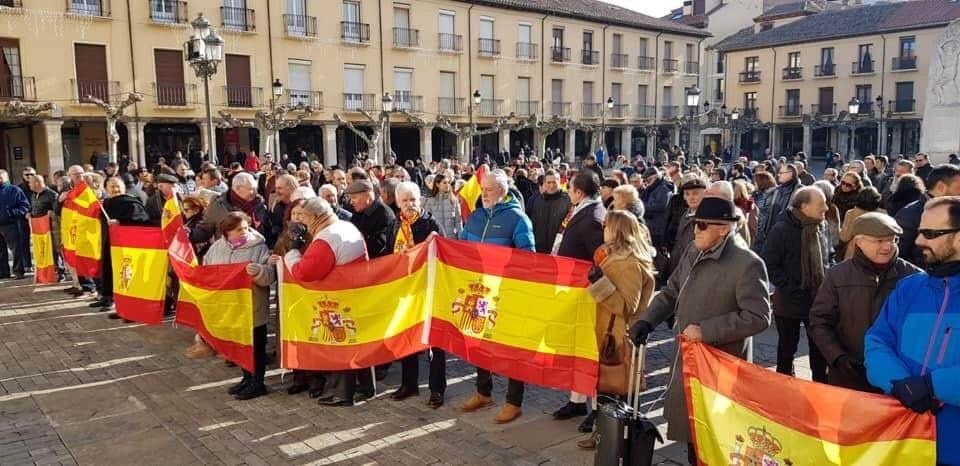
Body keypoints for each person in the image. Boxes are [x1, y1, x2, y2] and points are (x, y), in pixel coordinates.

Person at [629, 196, 770, 464]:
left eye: (702, 225)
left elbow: (759, 317)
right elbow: (671, 291)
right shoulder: (695, 250)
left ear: (724, 228)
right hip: (689, 360)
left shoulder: (747, 263)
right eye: (695, 224)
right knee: (693, 435)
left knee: (716, 439)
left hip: (719, 366)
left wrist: (707, 330)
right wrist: (647, 321)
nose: (695, 230)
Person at [865, 196, 960, 466]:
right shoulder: (910, 287)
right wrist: (899, 383)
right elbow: (877, 340)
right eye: (919, 231)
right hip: (902, 440)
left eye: (931, 233)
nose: (918, 241)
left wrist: (932, 386)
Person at [809, 213, 919, 393]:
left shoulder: (913, 277)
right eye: (880, 240)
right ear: (859, 242)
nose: (888, 246)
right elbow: (819, 322)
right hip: (848, 377)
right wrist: (837, 357)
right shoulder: (837, 275)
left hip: (897, 379)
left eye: (893, 240)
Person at [459, 169, 535, 424]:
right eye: (482, 189)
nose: (484, 194)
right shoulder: (476, 217)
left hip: (508, 294)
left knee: (513, 348)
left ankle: (514, 402)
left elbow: (528, 260)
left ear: (502, 191)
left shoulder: (518, 219)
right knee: (479, 341)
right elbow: (462, 249)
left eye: (489, 190)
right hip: (479, 293)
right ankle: (483, 392)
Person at [577, 209, 656, 450]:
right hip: (609, 333)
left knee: (617, 391)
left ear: (617, 230)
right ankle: (607, 436)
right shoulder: (617, 257)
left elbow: (627, 306)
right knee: (608, 391)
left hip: (617, 337)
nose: (604, 230)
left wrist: (600, 282)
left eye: (607, 226)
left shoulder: (629, 263)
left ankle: (616, 439)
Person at [550, 170, 606, 427]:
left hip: (585, 294)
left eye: (570, 187)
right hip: (571, 291)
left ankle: (596, 406)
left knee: (588, 350)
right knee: (575, 348)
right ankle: (576, 400)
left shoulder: (593, 217)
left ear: (579, 192)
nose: (567, 191)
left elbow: (601, 259)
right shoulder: (580, 210)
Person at [762, 187, 831, 383]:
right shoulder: (781, 229)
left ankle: (820, 385)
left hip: (818, 299)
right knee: (787, 348)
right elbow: (769, 263)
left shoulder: (821, 226)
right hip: (789, 301)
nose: (825, 208)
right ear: (804, 206)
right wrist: (791, 287)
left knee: (819, 348)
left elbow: (829, 254)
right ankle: (784, 385)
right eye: (821, 204)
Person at [387, 182, 446, 407]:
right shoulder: (395, 224)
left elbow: (444, 251)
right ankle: (409, 384)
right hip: (406, 291)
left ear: (419, 200)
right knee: (407, 337)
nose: (409, 205)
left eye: (413, 200)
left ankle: (437, 389)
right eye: (405, 201)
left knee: (435, 343)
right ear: (398, 203)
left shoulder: (431, 223)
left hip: (430, 290)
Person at [205, 212, 274, 400]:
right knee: (240, 346)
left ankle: (258, 382)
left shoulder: (259, 247)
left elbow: (270, 276)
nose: (243, 232)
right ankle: (247, 378)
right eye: (238, 230)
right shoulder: (217, 248)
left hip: (253, 307)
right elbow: (207, 270)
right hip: (231, 308)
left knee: (256, 347)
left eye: (245, 228)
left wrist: (259, 271)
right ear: (227, 232)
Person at [346, 179, 396, 394]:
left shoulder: (384, 215)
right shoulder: (358, 213)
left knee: (380, 321)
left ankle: (383, 362)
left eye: (355, 197)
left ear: (368, 194)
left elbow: (380, 246)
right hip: (362, 277)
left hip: (379, 276)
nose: (352, 202)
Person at [97, 176, 152, 316]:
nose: (115, 189)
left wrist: (120, 222)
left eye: (118, 186)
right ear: (106, 189)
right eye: (112, 186)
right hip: (109, 243)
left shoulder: (131, 202)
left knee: (125, 274)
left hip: (127, 246)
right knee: (110, 270)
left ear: (123, 187)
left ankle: (127, 306)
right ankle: (109, 298)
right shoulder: (106, 203)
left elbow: (142, 220)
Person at [896, 164, 960, 266]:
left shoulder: (955, 209)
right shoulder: (910, 214)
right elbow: (899, 255)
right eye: (959, 188)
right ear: (941, 187)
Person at [195, 172, 271, 243]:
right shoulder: (218, 205)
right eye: (251, 189)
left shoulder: (260, 204)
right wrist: (190, 234)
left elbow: (268, 230)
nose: (255, 193)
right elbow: (205, 230)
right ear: (238, 188)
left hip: (257, 252)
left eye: (256, 189)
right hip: (229, 253)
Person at [755, 163, 800, 253]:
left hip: (789, 235)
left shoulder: (799, 190)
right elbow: (771, 212)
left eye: (781, 173)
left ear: (791, 173)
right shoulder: (777, 190)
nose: (778, 175)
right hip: (772, 232)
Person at [27, 174, 65, 281]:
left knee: (54, 249)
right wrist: (29, 213)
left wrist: (51, 212)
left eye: (30, 182)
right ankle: (46, 272)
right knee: (42, 249)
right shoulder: (34, 194)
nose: (29, 185)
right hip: (38, 228)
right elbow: (33, 207)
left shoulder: (51, 194)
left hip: (50, 227)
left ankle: (60, 271)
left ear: (37, 183)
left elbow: (57, 209)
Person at [526, 170, 571, 254]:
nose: (551, 186)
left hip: (558, 250)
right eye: (549, 182)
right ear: (544, 183)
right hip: (539, 249)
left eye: (554, 182)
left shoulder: (567, 200)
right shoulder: (537, 200)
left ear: (559, 182)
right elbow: (533, 224)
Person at [0, 169, 31, 280]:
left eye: (1, 177)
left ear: (6, 178)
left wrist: (11, 213)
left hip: (11, 224)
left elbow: (25, 206)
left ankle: (18, 271)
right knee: (1, 251)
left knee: (16, 249)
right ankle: (3, 272)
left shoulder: (15, 190)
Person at [839, 187, 884, 260]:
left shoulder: (851, 213)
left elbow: (845, 237)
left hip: (855, 253)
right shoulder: (883, 214)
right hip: (877, 252)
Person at [640, 167, 673, 250]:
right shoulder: (651, 188)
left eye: (648, 180)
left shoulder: (663, 188)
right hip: (650, 226)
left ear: (656, 177)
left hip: (657, 229)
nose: (647, 183)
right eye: (645, 181)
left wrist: (641, 205)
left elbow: (660, 206)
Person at [422, 173, 462, 238]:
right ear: (437, 184)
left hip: (451, 239)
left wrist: (461, 238)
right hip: (437, 240)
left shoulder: (454, 200)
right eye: (444, 183)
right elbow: (427, 222)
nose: (448, 185)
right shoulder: (430, 201)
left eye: (449, 183)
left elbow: (458, 222)